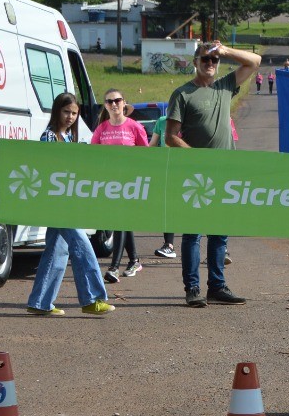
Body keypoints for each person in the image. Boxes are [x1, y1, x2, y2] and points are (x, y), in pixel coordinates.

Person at [166, 40, 260, 307]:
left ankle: (217, 286)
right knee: (193, 233)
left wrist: (226, 51)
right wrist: (197, 158)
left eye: (214, 60)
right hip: (196, 175)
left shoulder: (225, 86)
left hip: (224, 172)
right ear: (195, 62)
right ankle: (193, 288)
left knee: (219, 232)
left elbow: (255, 62)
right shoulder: (182, 94)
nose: (210, 63)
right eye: (205, 59)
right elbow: (171, 136)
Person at [27, 94, 114, 316]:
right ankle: (91, 298)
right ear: (57, 111)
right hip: (56, 204)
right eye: (66, 112)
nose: (70, 117)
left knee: (57, 250)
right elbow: (50, 169)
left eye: (74, 113)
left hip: (65, 203)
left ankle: (40, 302)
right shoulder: (49, 137)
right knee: (82, 245)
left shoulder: (68, 138)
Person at [91, 87, 150, 282]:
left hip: (130, 182)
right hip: (109, 183)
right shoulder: (101, 129)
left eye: (117, 100)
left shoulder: (134, 127)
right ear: (105, 106)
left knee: (120, 221)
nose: (114, 104)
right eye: (110, 101)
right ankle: (134, 260)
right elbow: (93, 156)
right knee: (123, 221)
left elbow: (146, 155)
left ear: (124, 103)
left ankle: (114, 267)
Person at [147, 112, 176, 259]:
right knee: (168, 206)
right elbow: (153, 145)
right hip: (168, 169)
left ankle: (218, 249)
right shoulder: (162, 121)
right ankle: (169, 245)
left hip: (188, 169)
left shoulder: (190, 120)